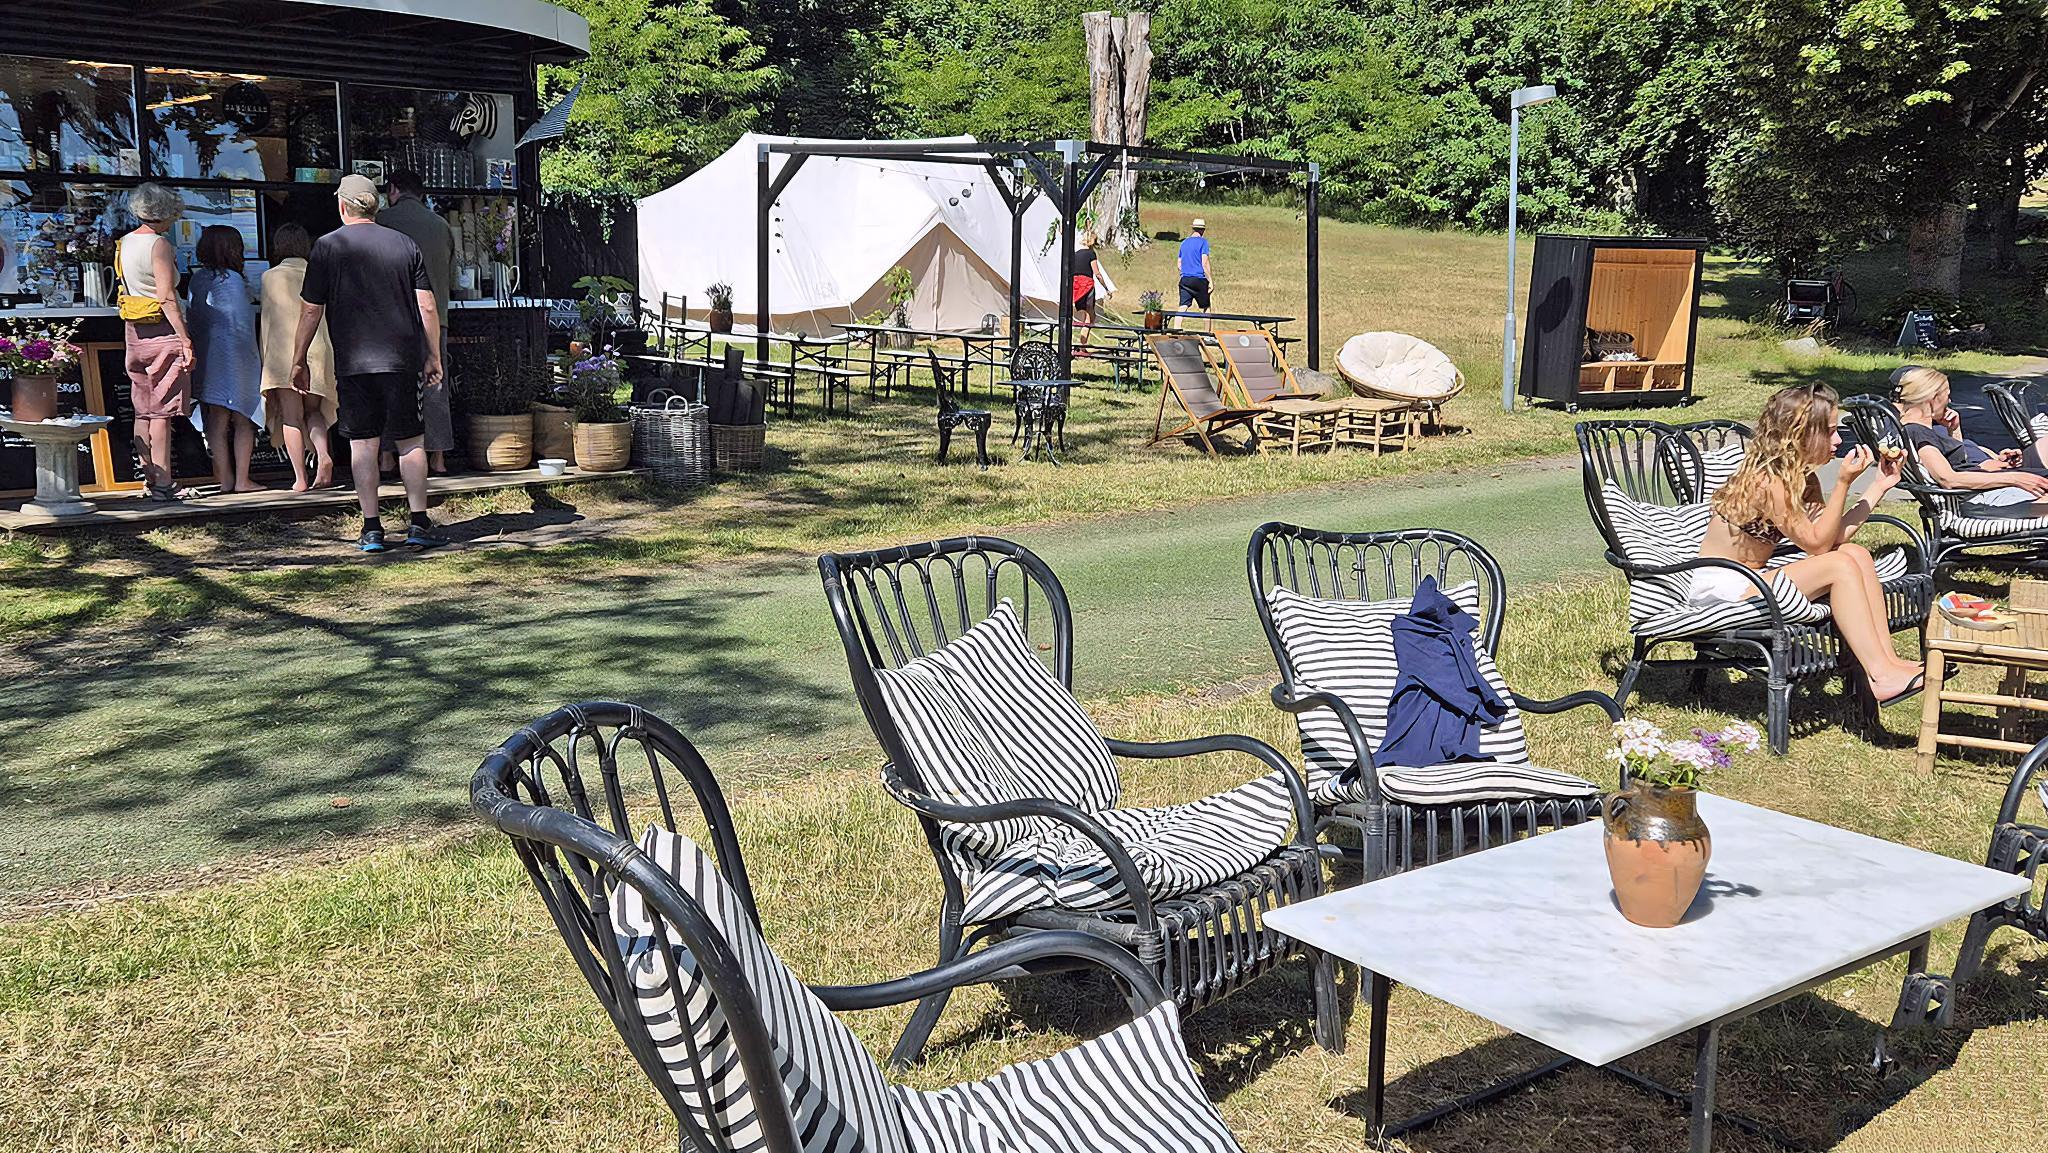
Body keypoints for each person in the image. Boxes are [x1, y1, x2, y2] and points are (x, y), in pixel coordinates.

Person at [1697, 383, 1925, 705]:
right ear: (1801, 434)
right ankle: (1880, 674)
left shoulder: (1803, 479)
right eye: (1830, 431)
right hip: (1724, 588)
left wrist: (1878, 486)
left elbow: (1832, 539)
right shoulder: (1769, 481)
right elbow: (1818, 547)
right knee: (1840, 564)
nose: (1838, 440)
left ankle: (1888, 664)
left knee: (1855, 553)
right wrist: (1843, 482)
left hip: (1755, 581)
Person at [293, 174, 443, 553]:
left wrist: (298, 359)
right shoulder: (405, 244)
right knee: (411, 442)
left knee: (363, 444)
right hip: (402, 360)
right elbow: (427, 305)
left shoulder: (326, 247)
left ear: (342, 206)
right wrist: (433, 354)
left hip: (354, 362)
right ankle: (418, 522)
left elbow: (310, 310)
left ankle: (372, 527)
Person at [117, 184, 196, 500]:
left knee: (143, 409)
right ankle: (164, 483)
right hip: (161, 330)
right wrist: (185, 337)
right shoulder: (159, 244)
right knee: (162, 411)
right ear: (165, 213)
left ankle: (149, 476)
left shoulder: (124, 242)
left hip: (134, 330)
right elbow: (166, 295)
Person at [376, 170, 456, 473]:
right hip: (435, 317)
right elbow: (450, 276)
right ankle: (438, 457)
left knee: (390, 388)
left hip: (390, 319)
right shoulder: (441, 225)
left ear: (393, 190)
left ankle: (387, 456)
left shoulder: (382, 221)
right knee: (434, 386)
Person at [1894, 365, 2048, 508]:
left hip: (1982, 491)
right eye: (1947, 396)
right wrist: (2015, 479)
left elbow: (1959, 462)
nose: (1949, 401)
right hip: (1980, 499)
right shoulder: (1918, 432)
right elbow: (1948, 479)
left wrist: (1954, 429)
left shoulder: (1916, 430)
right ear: (1933, 399)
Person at [186, 225, 264, 494]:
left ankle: (225, 480)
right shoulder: (232, 280)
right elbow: (241, 325)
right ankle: (243, 479)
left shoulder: (197, 279)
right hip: (237, 357)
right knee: (244, 418)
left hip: (209, 356)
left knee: (216, 421)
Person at [260, 223, 337, 492]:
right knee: (314, 411)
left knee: (291, 416)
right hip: (317, 349)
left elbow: (267, 323)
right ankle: (323, 454)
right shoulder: (318, 272)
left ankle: (300, 479)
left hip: (283, 354)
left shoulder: (269, 277)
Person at [1071, 230, 1108, 345]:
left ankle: (1080, 343)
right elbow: (1097, 273)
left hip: (1076, 286)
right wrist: (1106, 288)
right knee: (1090, 317)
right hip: (1087, 286)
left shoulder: (1076, 254)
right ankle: (1082, 345)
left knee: (1085, 315)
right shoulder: (1091, 254)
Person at [1176, 218, 1213, 316]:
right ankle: (1207, 326)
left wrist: (1185, 273)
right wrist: (1210, 280)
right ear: (1203, 230)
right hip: (1199, 278)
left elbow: (1179, 264)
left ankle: (1176, 325)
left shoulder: (1184, 243)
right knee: (1206, 307)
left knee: (1183, 306)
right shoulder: (1203, 242)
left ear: (1193, 228)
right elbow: (1204, 263)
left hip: (1185, 278)